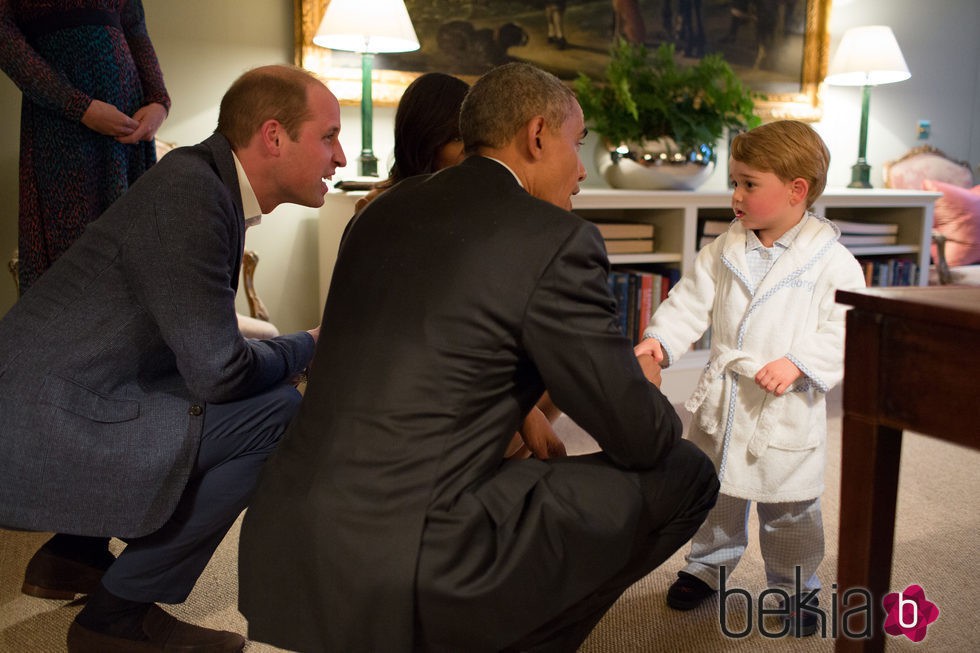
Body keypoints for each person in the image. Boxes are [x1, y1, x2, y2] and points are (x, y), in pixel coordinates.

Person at [238, 62, 719, 652]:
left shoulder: (378, 212)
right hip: (414, 558)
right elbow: (640, 439)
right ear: (538, 135)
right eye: (578, 143)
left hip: (285, 539)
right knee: (688, 472)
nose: (581, 170)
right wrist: (640, 384)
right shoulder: (556, 240)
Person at [0, 64, 346, 651]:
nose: (338, 158)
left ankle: (71, 555)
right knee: (277, 413)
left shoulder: (201, 182)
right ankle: (116, 617)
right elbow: (221, 373)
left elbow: (196, 347)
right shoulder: (193, 194)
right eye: (330, 136)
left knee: (224, 400)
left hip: (60, 394)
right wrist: (309, 344)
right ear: (273, 135)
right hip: (41, 420)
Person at [635, 120, 867, 636]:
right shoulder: (724, 248)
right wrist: (662, 340)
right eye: (733, 182)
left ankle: (795, 586)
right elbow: (689, 300)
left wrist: (801, 362)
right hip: (727, 398)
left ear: (796, 190)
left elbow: (844, 325)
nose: (735, 195)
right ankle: (707, 565)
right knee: (717, 493)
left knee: (790, 509)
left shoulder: (832, 262)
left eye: (748, 184)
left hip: (784, 405)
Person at [0, 0, 170, 292]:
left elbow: (135, 28)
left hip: (128, 125)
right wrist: (79, 107)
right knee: (74, 256)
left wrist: (158, 101)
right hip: (63, 126)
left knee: (135, 251)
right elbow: (5, 38)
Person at [355, 71, 470, 212]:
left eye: (473, 136)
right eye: (458, 138)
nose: (472, 150)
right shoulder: (376, 206)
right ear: (425, 139)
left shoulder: (479, 201)